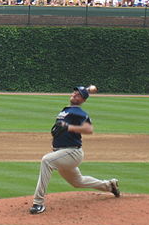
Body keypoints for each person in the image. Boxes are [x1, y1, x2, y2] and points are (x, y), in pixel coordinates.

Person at [29, 85, 120, 214]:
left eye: (78, 95)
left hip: (72, 152)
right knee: (78, 181)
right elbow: (59, 130)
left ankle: (38, 203)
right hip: (62, 153)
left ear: (83, 100)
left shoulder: (80, 113)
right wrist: (88, 90)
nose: (75, 94)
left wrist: (68, 127)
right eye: (74, 92)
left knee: (46, 161)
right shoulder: (67, 110)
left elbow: (89, 129)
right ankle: (109, 185)